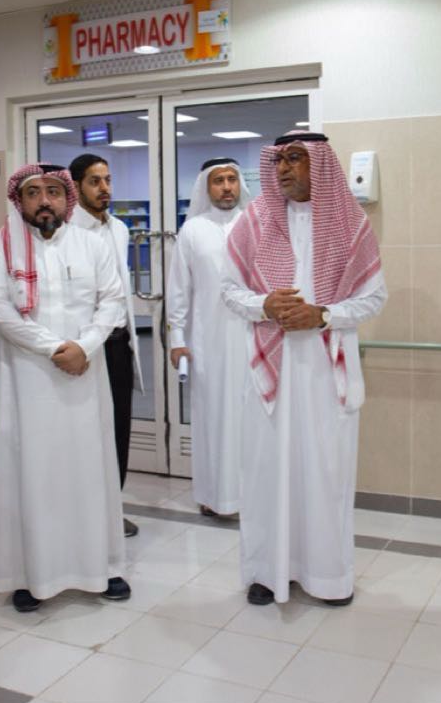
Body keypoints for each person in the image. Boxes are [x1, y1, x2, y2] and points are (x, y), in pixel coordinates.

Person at [223, 131, 387, 606]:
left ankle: (327, 577)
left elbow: (374, 297)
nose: (284, 168)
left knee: (325, 473)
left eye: (295, 158)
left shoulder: (350, 224)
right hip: (269, 373)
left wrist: (324, 315)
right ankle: (265, 572)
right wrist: (264, 305)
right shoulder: (254, 221)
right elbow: (228, 290)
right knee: (265, 471)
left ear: (321, 165)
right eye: (279, 160)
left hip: (324, 371)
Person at [0, 163, 130, 613]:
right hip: (27, 381)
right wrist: (54, 348)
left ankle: (102, 567)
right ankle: (30, 575)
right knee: (32, 472)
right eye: (33, 193)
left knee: (91, 470)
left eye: (53, 191)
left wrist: (85, 346)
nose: (44, 200)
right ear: (19, 200)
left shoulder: (92, 244)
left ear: (67, 198)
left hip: (86, 378)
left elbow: (112, 301)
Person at [166, 158, 252, 518]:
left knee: (250, 420)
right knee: (211, 418)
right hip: (207, 340)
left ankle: (251, 498)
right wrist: (177, 338)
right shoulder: (192, 231)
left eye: (232, 179)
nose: (227, 187)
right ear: (206, 187)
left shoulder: (256, 225)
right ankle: (212, 495)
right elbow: (178, 290)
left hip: (251, 339)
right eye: (219, 180)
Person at [68, 153, 143, 538]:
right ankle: (84, 514)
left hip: (118, 343)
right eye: (95, 181)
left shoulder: (119, 229)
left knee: (118, 430)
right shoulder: (67, 232)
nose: (104, 189)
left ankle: (112, 509)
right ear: (76, 186)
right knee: (86, 432)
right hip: (86, 346)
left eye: (108, 180)